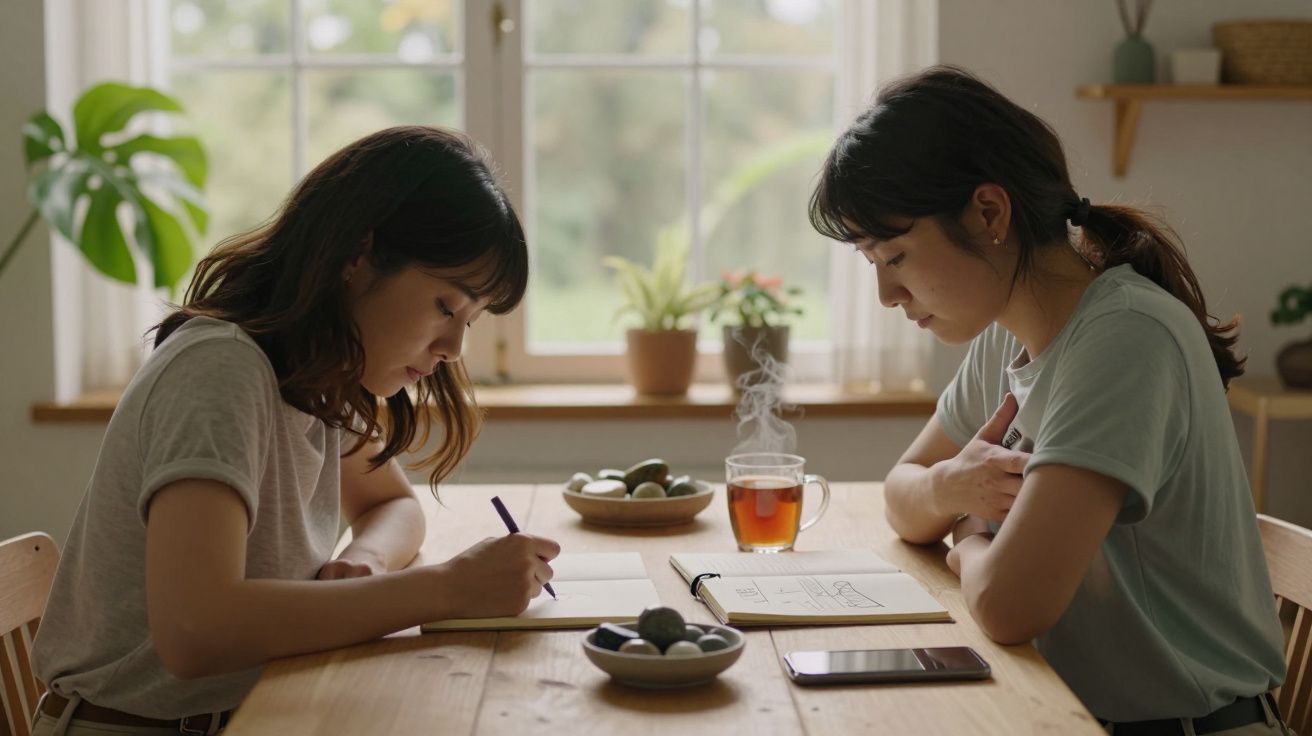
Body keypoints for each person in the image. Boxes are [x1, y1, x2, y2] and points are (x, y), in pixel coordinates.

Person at [31, 126, 560, 736]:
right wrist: (446, 589)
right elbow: (196, 630)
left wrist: (364, 559)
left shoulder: (315, 378)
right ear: (356, 257)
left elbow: (392, 504)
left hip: (256, 714)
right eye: (446, 306)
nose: (452, 347)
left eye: (471, 321)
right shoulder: (221, 370)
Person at [809, 67, 1291, 734]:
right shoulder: (1008, 337)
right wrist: (953, 489)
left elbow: (1009, 606)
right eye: (873, 265)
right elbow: (899, 494)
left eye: (894, 257)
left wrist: (968, 537)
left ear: (989, 213)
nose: (887, 297)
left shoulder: (1124, 339)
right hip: (1066, 713)